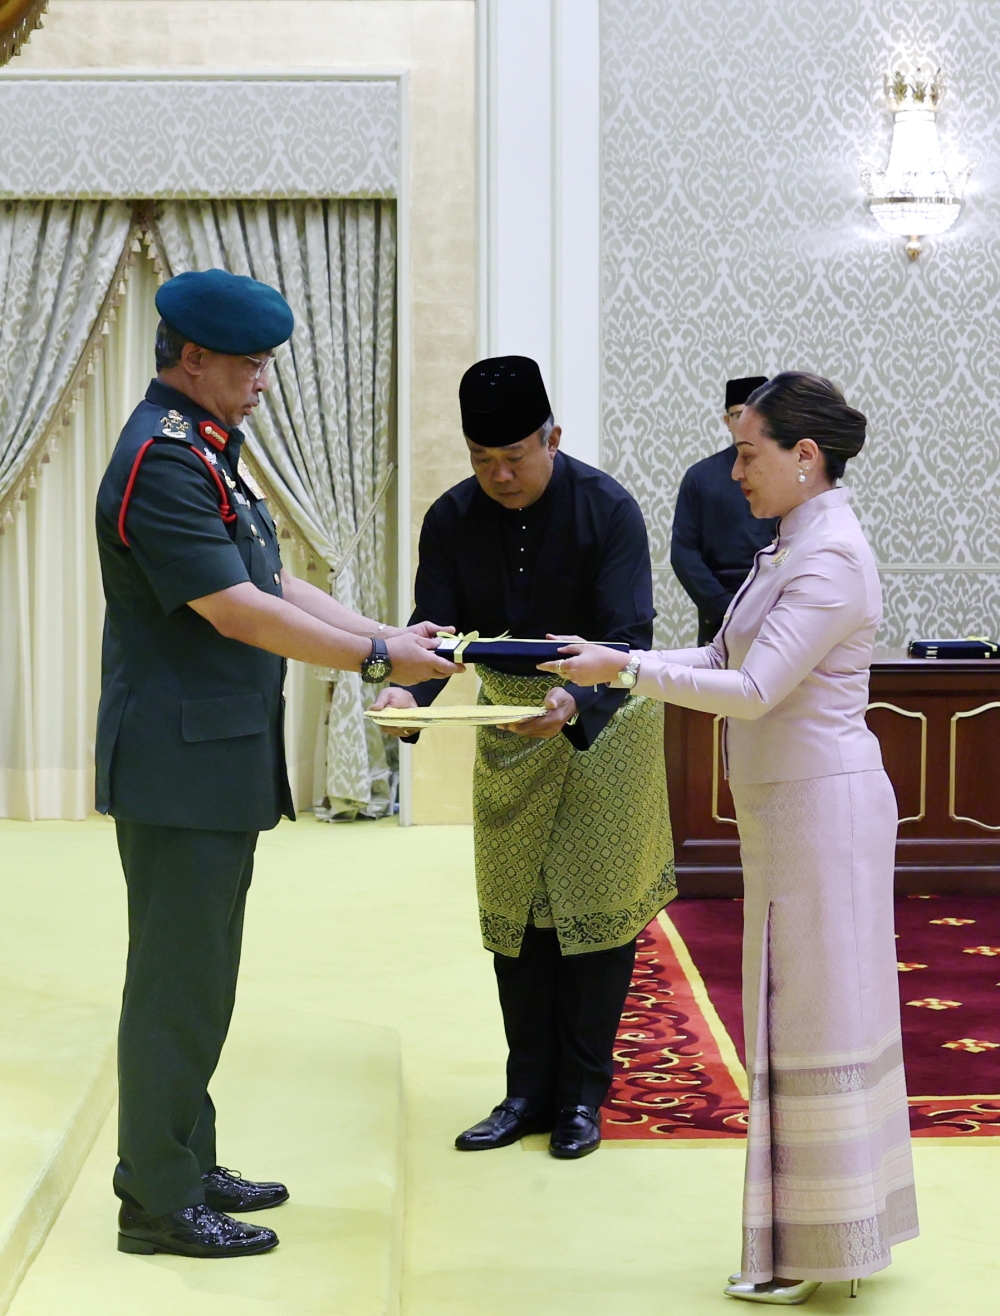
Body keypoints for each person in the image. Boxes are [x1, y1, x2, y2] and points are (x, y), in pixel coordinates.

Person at [95, 269, 460, 1259]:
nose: (263, 380)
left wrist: (382, 629)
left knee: (202, 974)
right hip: (177, 765)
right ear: (194, 357)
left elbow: (274, 575)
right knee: (176, 981)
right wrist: (379, 661)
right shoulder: (159, 460)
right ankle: (156, 1200)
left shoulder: (209, 446)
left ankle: (182, 1152)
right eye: (251, 363)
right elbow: (236, 609)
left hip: (210, 757)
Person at [542, 373, 917, 1304]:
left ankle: (820, 1246)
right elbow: (719, 657)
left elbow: (755, 692)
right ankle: (827, 1236)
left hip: (822, 813)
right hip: (790, 811)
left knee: (816, 1019)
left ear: (805, 456)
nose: (733, 470)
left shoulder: (828, 555)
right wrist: (611, 662)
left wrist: (623, 668)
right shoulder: (791, 542)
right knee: (795, 1014)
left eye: (748, 452)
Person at [371, 355, 675, 1159]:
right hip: (510, 722)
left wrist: (575, 699)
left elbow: (628, 637)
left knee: (594, 919)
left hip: (602, 721)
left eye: (515, 457)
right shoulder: (451, 517)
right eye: (482, 460)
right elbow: (432, 634)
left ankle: (582, 1098)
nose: (499, 476)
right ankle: (524, 1093)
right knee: (520, 916)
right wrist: (409, 696)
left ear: (554, 438)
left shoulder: (607, 508)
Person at [671, 376, 777, 644]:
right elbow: (684, 554)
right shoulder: (700, 476)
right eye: (739, 415)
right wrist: (727, 608)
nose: (747, 424)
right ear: (727, 420)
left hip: (778, 608)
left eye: (757, 415)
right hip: (719, 612)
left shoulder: (783, 474)